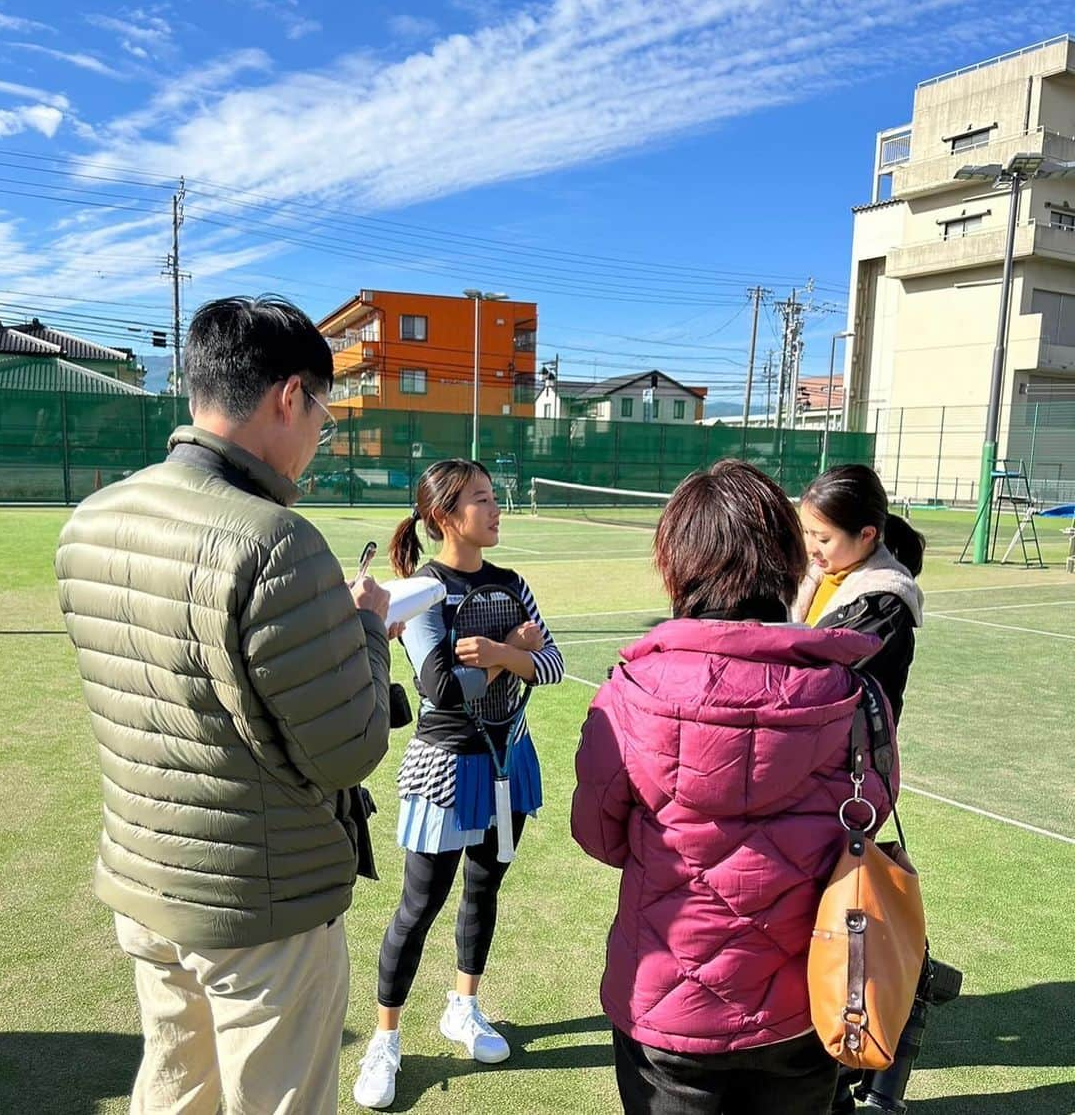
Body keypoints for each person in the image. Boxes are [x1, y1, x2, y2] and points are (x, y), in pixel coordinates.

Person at [55, 295, 399, 1115]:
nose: (321, 434)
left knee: (175, 1090)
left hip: (146, 879)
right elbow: (349, 747)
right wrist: (369, 630)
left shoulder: (90, 519)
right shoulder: (275, 541)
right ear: (290, 397)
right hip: (261, 905)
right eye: (324, 410)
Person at [571, 460, 897, 1115]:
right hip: (808, 997)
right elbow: (873, 809)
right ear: (784, 559)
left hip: (667, 1007)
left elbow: (598, 836)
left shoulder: (629, 695)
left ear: (678, 566)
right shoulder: (855, 693)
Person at [353, 458, 564, 1110]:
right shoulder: (420, 590)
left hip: (510, 764)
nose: (495, 509)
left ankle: (462, 1008)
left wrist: (504, 655)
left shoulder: (513, 581)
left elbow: (552, 663)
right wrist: (512, 657)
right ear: (445, 516)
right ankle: (385, 1042)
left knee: (484, 888)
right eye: (481, 499)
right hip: (445, 769)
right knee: (420, 905)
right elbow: (440, 692)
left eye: (495, 496)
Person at [793, 464, 925, 724]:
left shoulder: (884, 605)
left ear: (866, 535)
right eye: (806, 533)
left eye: (822, 539)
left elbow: (832, 688)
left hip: (851, 752)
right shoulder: (810, 578)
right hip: (810, 744)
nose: (810, 548)